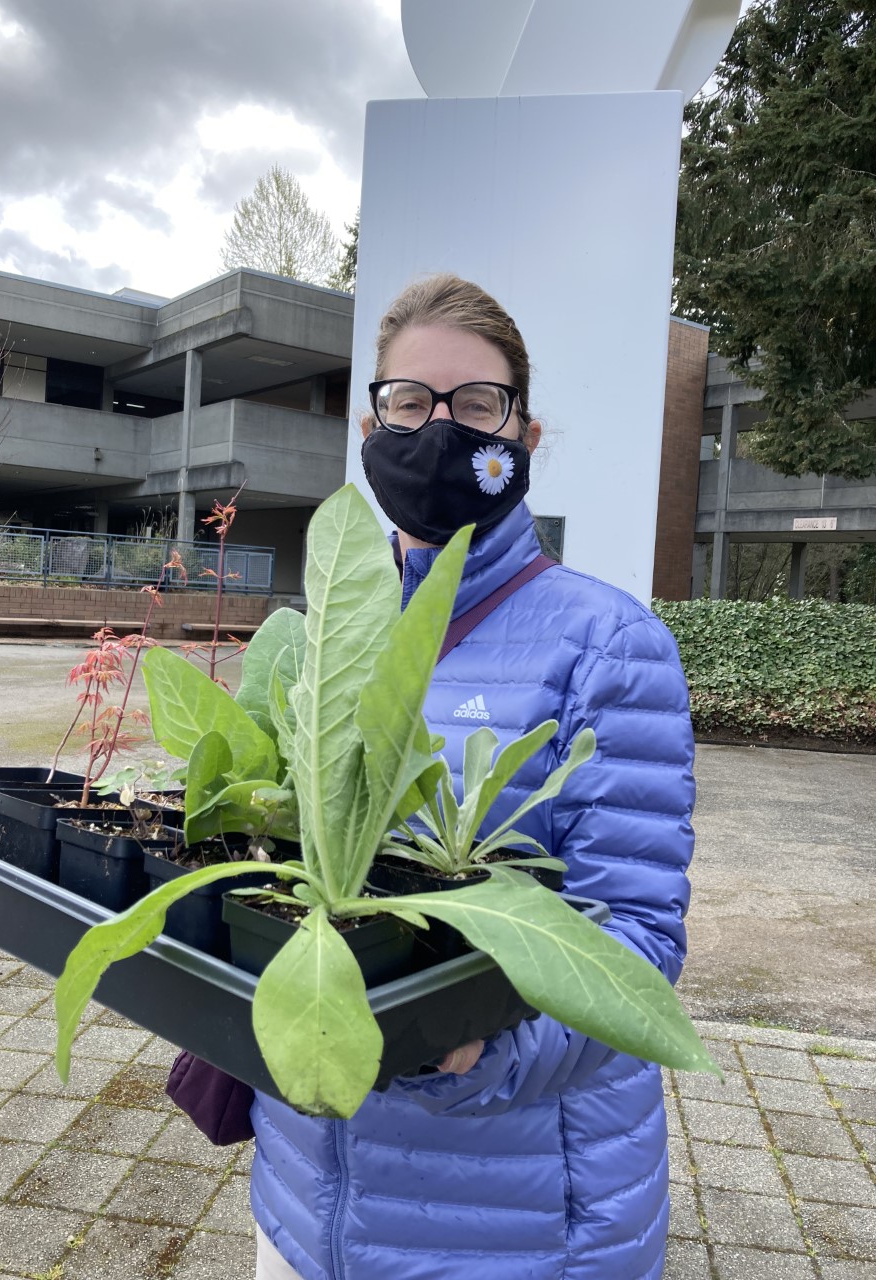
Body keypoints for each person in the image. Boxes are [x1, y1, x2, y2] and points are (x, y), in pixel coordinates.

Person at [250, 274, 696, 1279]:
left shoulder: (609, 642)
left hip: (513, 1225)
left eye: (476, 406)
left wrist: (472, 1051)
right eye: (410, 403)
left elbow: (635, 945)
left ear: (525, 436)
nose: (439, 431)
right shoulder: (334, 638)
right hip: (306, 1202)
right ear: (374, 423)